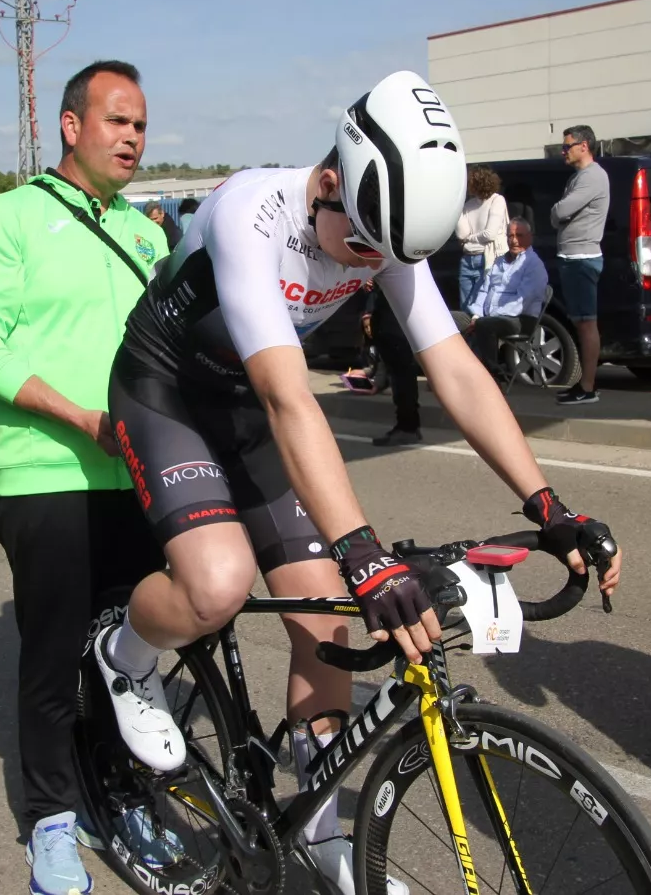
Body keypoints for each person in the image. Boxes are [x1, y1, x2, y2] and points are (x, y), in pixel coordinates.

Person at [95, 70, 621, 895]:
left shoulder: (380, 230)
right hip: (169, 390)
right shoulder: (250, 212)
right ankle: (123, 655)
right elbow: (289, 395)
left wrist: (546, 503)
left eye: (392, 255)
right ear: (330, 181)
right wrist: (363, 551)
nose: (375, 265)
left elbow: (456, 369)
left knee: (326, 619)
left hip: (249, 405)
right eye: (366, 246)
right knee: (219, 584)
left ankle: (319, 825)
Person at [0, 59, 169, 895]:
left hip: (143, 478)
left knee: (130, 656)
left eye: (141, 124)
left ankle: (120, 789)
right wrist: (76, 417)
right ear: (71, 126)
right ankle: (52, 822)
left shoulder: (149, 233)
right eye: (117, 121)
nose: (133, 138)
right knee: (55, 660)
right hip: (48, 475)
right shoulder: (8, 220)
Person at [551, 124, 608, 405]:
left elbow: (560, 210)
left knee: (586, 324)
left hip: (581, 259)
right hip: (573, 258)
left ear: (584, 146)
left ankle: (587, 387)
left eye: (567, 146)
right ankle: (584, 385)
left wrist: (557, 212)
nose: (564, 151)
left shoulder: (592, 177)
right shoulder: (579, 178)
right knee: (581, 322)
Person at [465, 218, 550, 379]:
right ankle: (460, 373)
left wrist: (487, 317)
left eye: (519, 235)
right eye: (510, 236)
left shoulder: (533, 264)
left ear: (530, 237)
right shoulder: (499, 261)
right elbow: (484, 290)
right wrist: (476, 315)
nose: (514, 240)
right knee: (453, 320)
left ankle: (491, 374)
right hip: (490, 317)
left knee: (485, 325)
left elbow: (521, 302)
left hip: (519, 319)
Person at [363, 279, 422, 446]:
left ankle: (408, 427)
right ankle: (407, 426)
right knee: (398, 372)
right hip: (386, 309)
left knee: (402, 373)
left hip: (395, 316)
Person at [454, 164, 508, 309]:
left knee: (479, 307)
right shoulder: (468, 205)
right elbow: (461, 233)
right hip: (467, 259)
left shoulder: (497, 200)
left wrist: (469, 239)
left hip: (487, 257)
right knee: (465, 306)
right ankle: (467, 332)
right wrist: (456, 204)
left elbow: (490, 234)